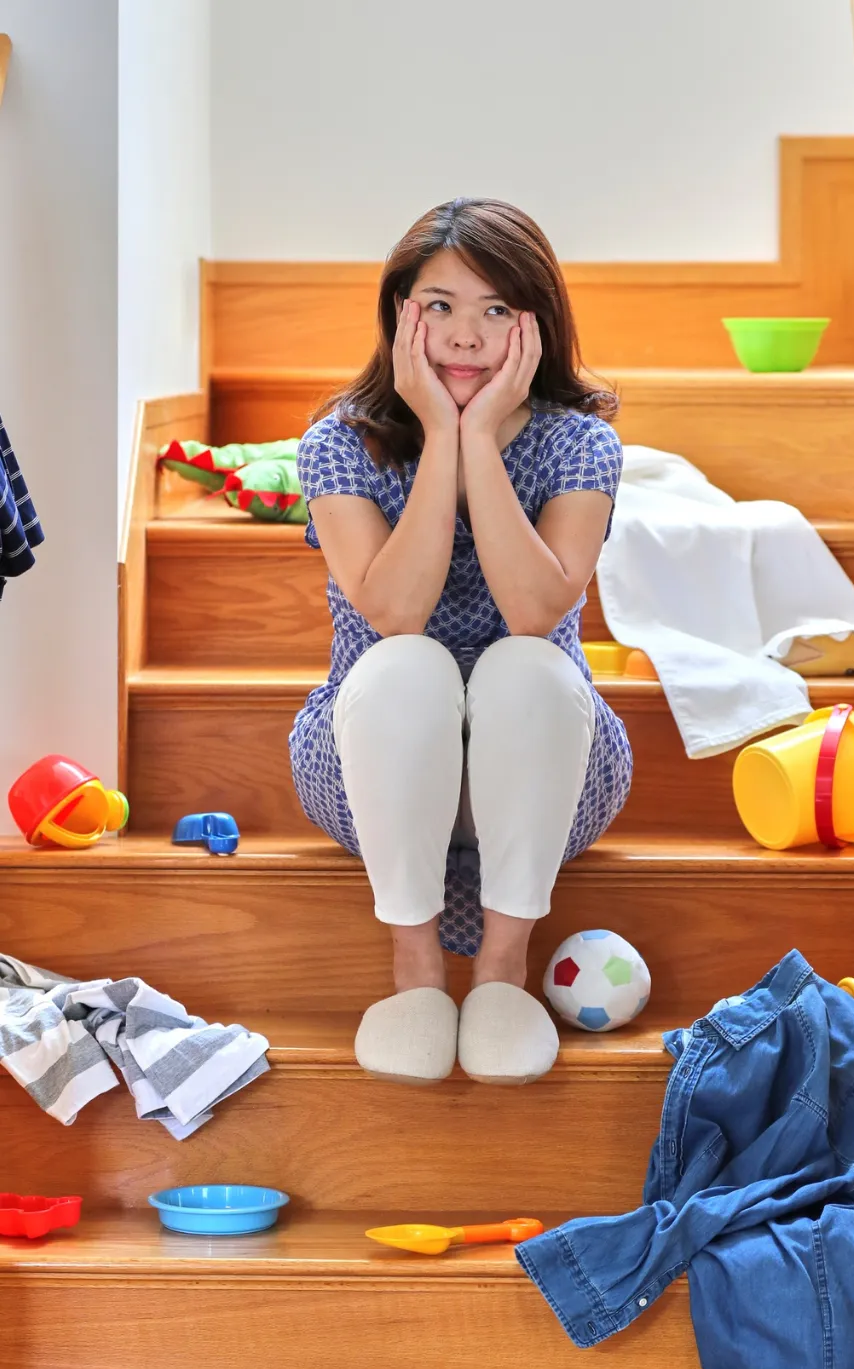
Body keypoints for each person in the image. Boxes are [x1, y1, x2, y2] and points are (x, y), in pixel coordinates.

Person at [290, 196, 632, 1087]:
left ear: (537, 323)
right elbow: (393, 613)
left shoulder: (580, 443)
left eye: (495, 310)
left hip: (549, 766)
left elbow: (533, 611)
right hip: (376, 763)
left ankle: (503, 972)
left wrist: (480, 435)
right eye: (438, 306)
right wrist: (438, 433)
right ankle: (413, 975)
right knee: (407, 662)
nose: (466, 336)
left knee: (525, 664)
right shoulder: (337, 444)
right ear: (399, 316)